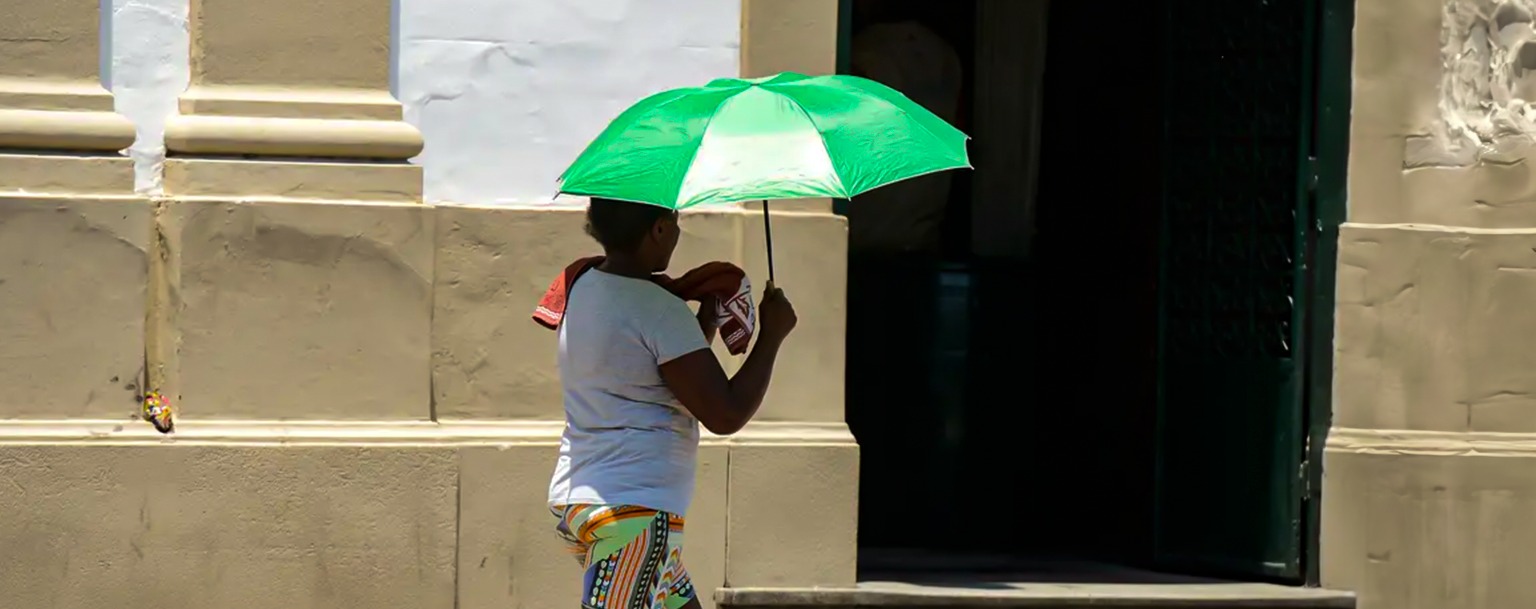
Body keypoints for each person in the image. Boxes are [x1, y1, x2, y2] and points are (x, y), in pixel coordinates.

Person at [547, 197, 798, 609]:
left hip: (587, 497)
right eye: (675, 222)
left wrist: (708, 323)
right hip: (634, 513)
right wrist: (772, 335)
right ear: (659, 229)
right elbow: (724, 412)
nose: (679, 233)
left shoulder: (584, 287)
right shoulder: (659, 308)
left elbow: (658, 375)